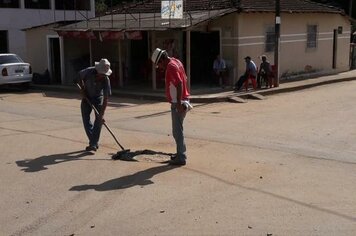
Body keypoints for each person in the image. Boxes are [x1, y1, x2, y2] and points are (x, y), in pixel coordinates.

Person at [151, 48, 192, 166]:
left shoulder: (171, 67)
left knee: (177, 131)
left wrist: (178, 103)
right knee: (178, 130)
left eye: (159, 64)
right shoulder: (176, 61)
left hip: (178, 102)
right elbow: (185, 79)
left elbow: (179, 83)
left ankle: (181, 156)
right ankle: (180, 153)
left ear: (162, 60)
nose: (160, 67)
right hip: (182, 99)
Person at [77, 58, 112, 152]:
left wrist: (102, 114)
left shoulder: (106, 80)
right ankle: (93, 142)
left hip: (98, 98)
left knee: (98, 120)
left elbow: (106, 98)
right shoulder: (88, 72)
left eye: (105, 75)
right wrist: (82, 90)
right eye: (102, 74)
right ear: (98, 71)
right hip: (86, 97)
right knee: (86, 119)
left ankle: (93, 143)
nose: (103, 76)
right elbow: (79, 77)